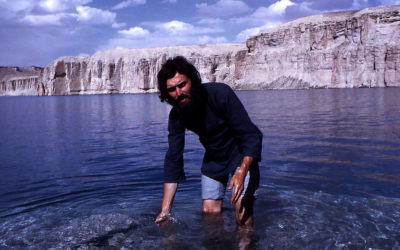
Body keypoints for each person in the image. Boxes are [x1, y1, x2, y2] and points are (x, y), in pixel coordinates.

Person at [155, 56, 262, 228]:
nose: (179, 93)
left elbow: (251, 135)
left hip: (241, 155)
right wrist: (165, 210)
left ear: (193, 80)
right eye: (172, 89)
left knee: (242, 210)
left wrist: (242, 171)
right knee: (210, 213)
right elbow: (173, 159)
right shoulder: (177, 115)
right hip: (214, 158)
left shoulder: (220, 93)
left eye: (182, 85)